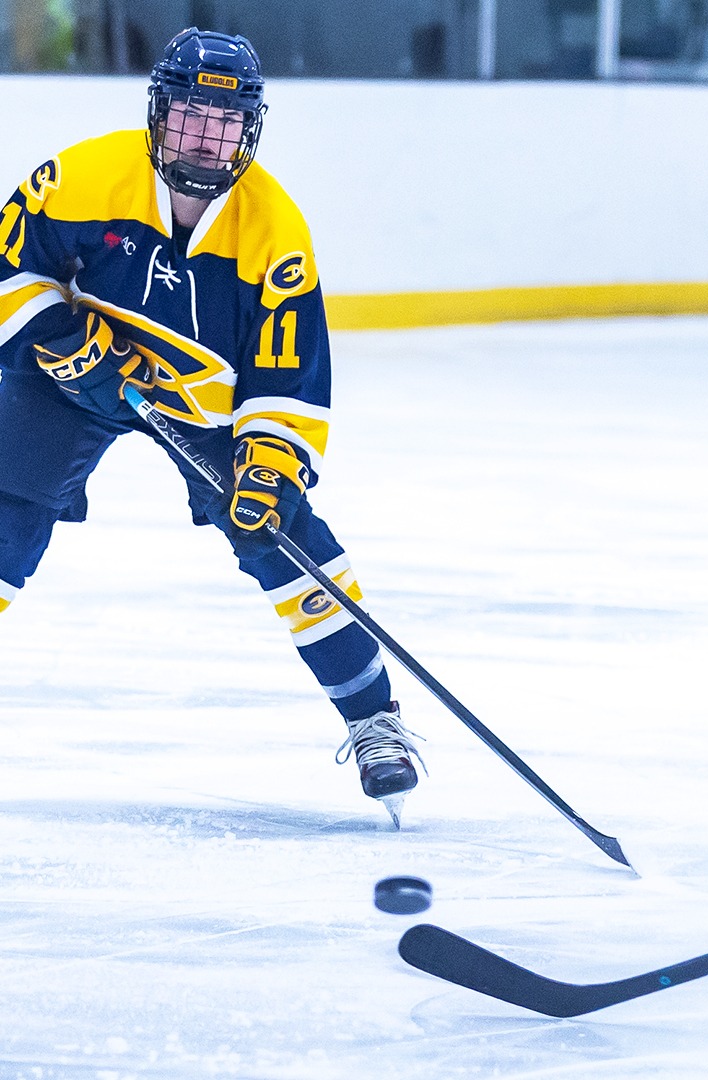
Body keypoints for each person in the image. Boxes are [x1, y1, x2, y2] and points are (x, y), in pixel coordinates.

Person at [0, 28, 424, 824]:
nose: (206, 136)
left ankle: (373, 720)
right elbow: (8, 264)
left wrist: (271, 465)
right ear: (160, 114)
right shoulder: (85, 175)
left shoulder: (275, 233)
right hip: (72, 379)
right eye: (191, 115)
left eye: (225, 122)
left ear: (248, 130)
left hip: (202, 407)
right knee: (4, 510)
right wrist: (58, 339)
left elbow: (287, 381)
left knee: (285, 537)